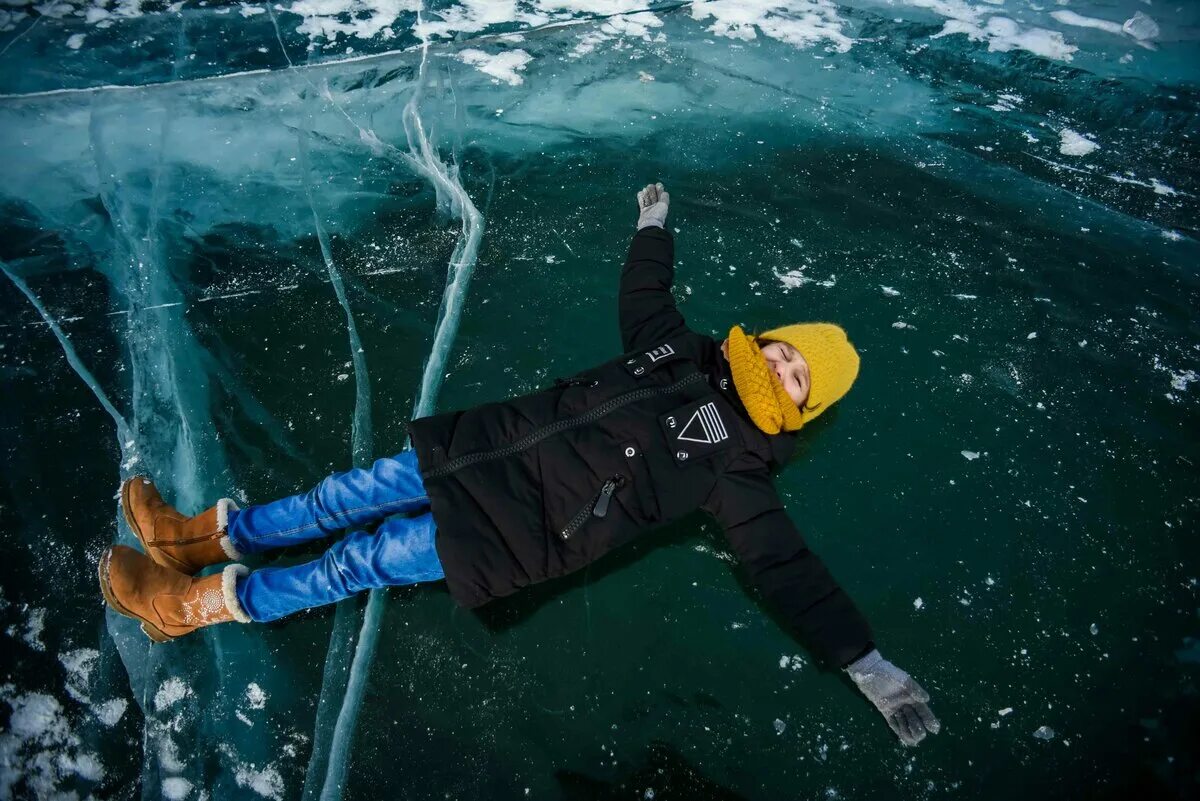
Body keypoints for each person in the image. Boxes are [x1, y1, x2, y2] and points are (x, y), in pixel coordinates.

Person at [98, 183, 940, 746]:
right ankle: (208, 537)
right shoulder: (687, 352)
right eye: (791, 354)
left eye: (801, 381)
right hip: (483, 450)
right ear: (776, 339)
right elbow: (644, 301)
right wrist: (653, 230)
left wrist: (865, 661)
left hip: (519, 531)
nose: (787, 370)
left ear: (804, 405)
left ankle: (197, 604)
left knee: (363, 558)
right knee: (343, 493)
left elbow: (787, 567)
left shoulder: (743, 470)